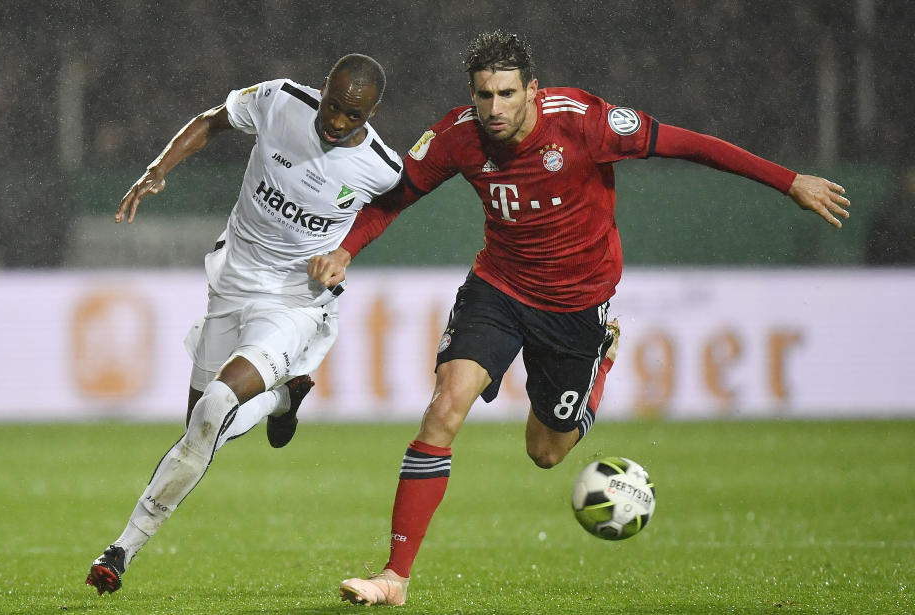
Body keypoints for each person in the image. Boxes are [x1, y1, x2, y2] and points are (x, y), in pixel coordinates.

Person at [308, 31, 850, 606]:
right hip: (499, 287)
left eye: (507, 94)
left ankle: (601, 367)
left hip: (576, 307)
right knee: (444, 407)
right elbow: (395, 198)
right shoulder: (457, 136)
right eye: (484, 95)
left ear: (532, 91)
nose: (494, 108)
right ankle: (395, 577)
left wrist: (788, 181)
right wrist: (347, 249)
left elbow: (691, 145)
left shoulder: (586, 122)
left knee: (546, 452)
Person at [84, 53, 403, 595]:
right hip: (232, 280)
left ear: (372, 113)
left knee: (216, 403)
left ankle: (121, 549)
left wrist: (345, 251)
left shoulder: (382, 166)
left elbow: (392, 205)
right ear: (322, 87)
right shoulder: (280, 99)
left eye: (353, 116)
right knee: (199, 429)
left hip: (297, 301)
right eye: (332, 106)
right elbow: (212, 121)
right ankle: (283, 399)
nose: (336, 122)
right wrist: (158, 169)